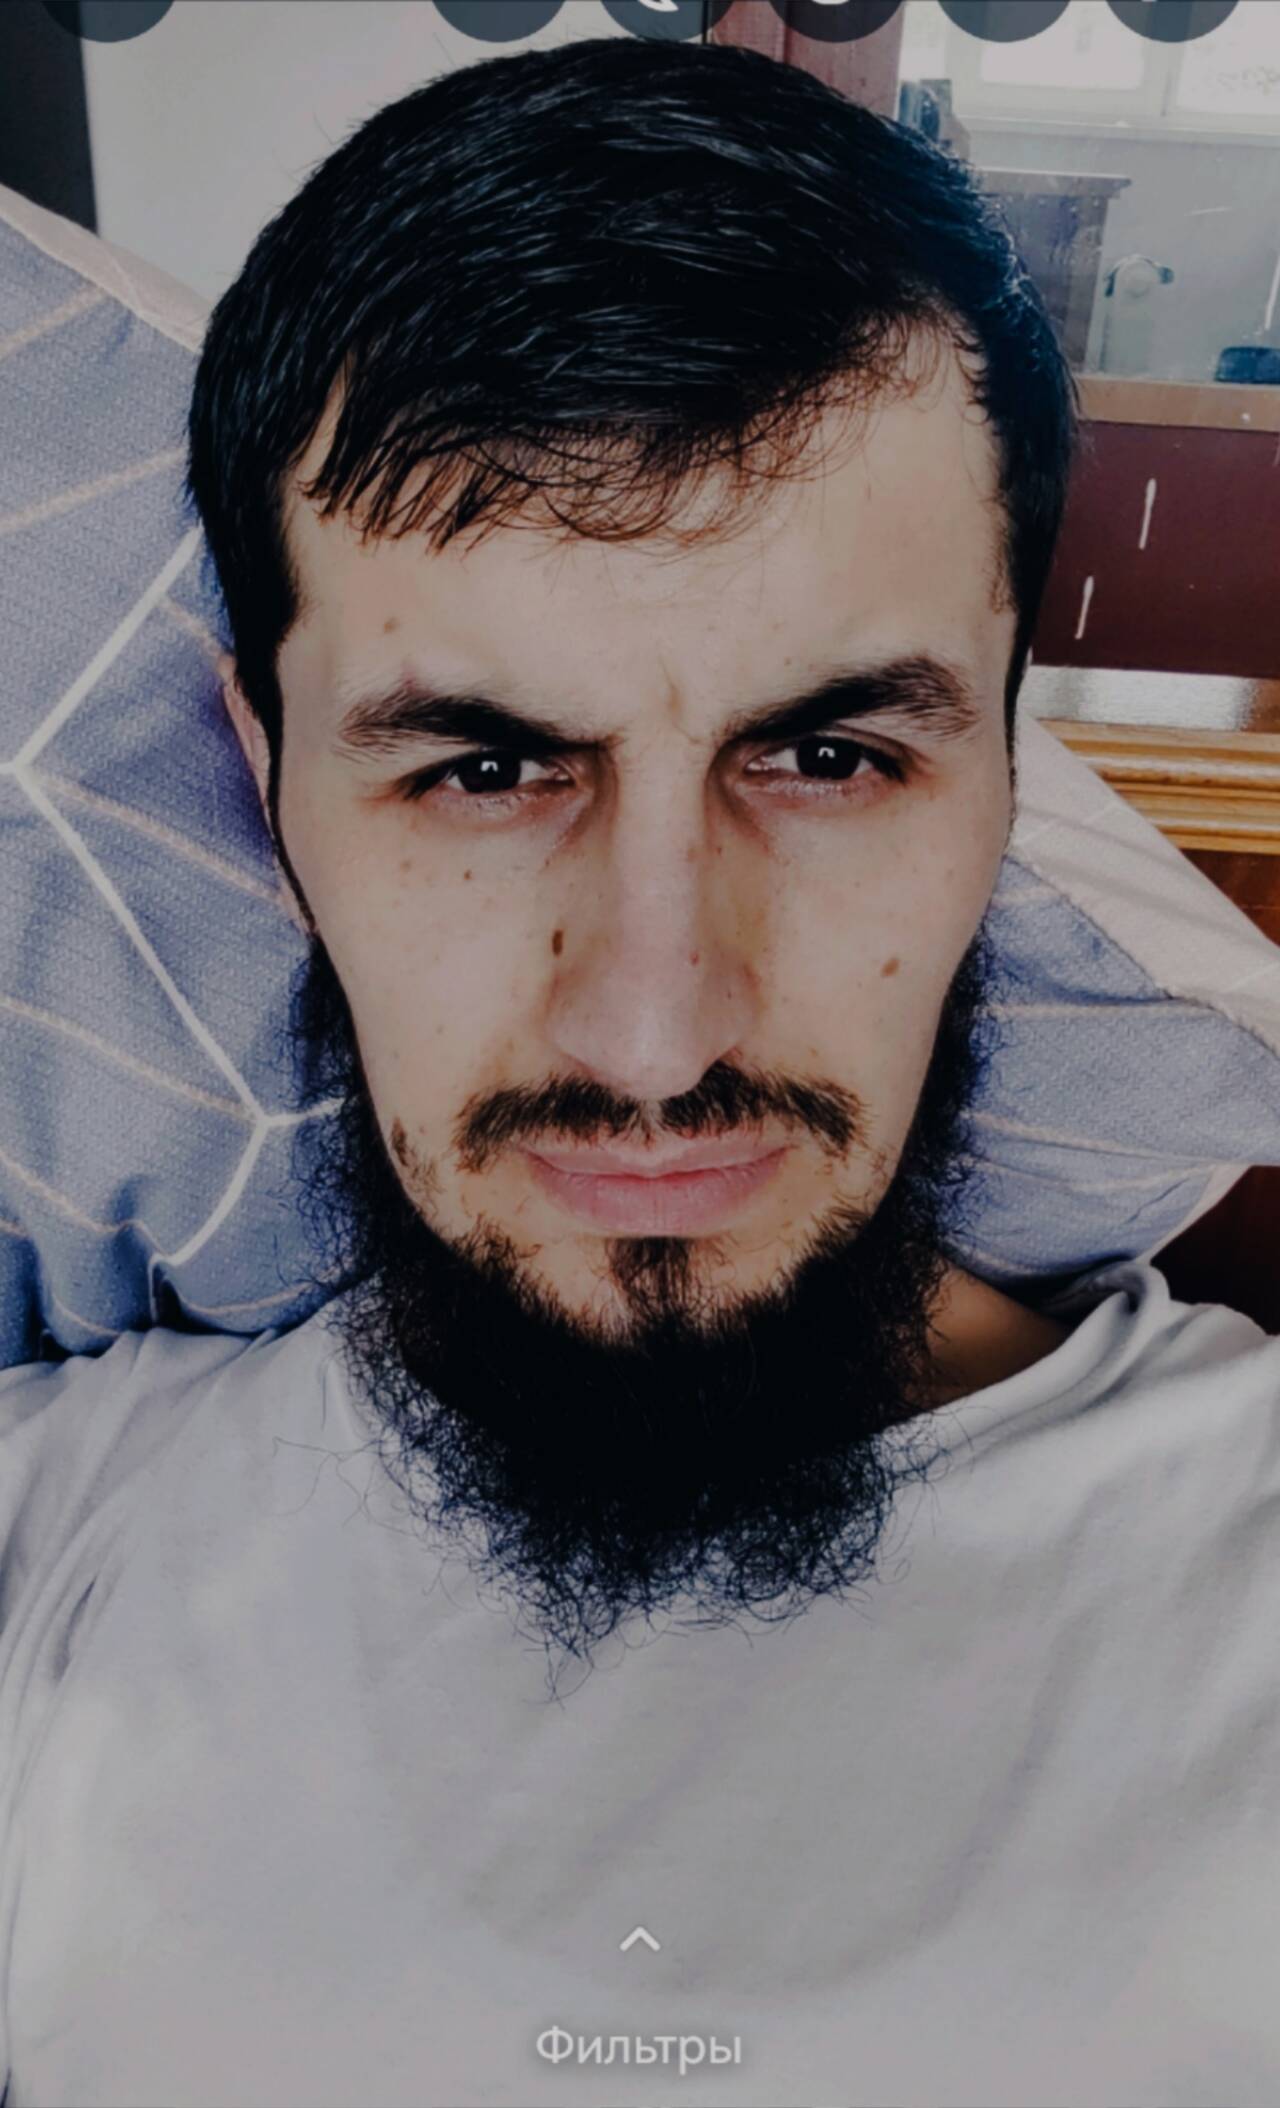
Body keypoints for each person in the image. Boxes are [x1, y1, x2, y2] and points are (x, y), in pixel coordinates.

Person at [2, 35, 1277, 2108]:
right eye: (482, 769)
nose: (657, 1030)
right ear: (264, 774)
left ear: (1003, 763)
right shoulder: (51, 1556)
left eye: (830, 754)